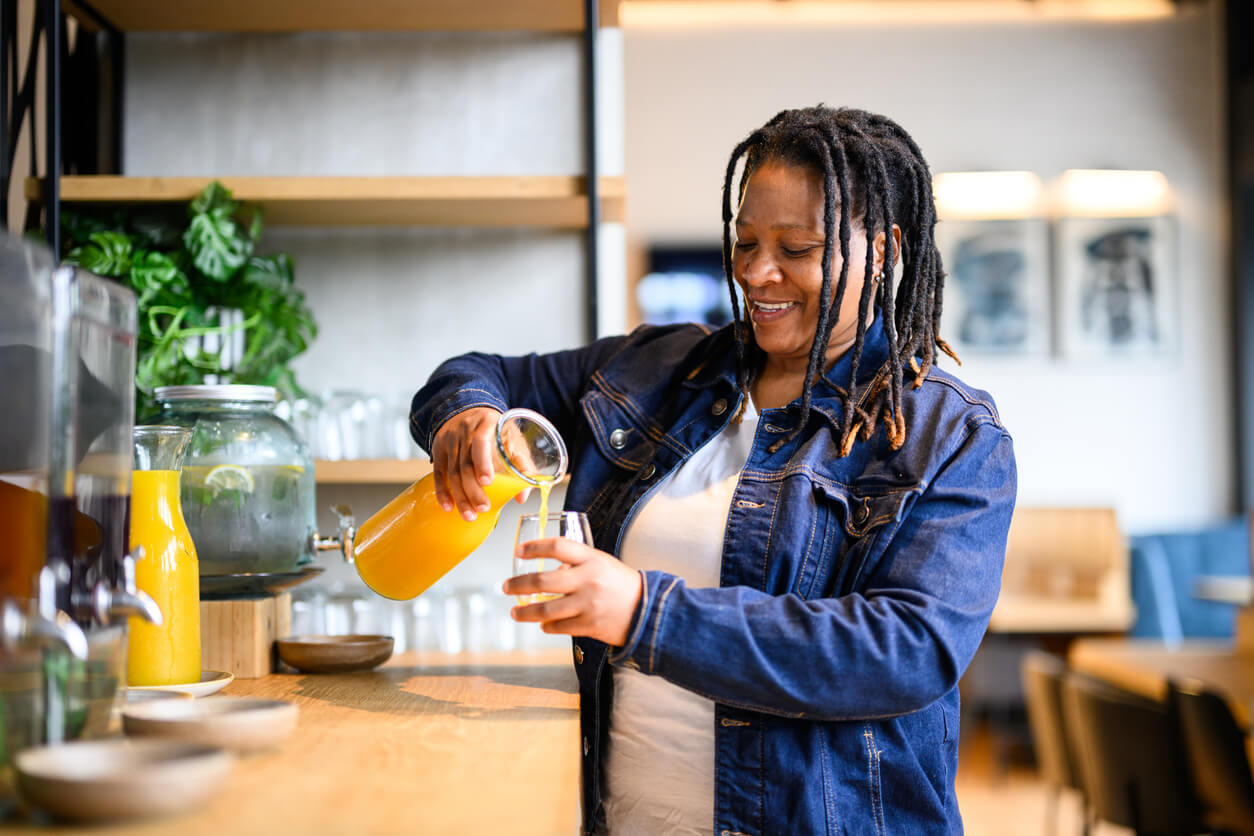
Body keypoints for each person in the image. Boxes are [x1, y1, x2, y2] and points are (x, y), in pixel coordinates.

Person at [411, 105, 1017, 836]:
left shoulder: (947, 434)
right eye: (746, 241)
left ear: (883, 249)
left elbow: (904, 652)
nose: (758, 273)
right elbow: (475, 373)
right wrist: (466, 417)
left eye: (797, 247)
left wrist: (644, 613)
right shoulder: (657, 369)